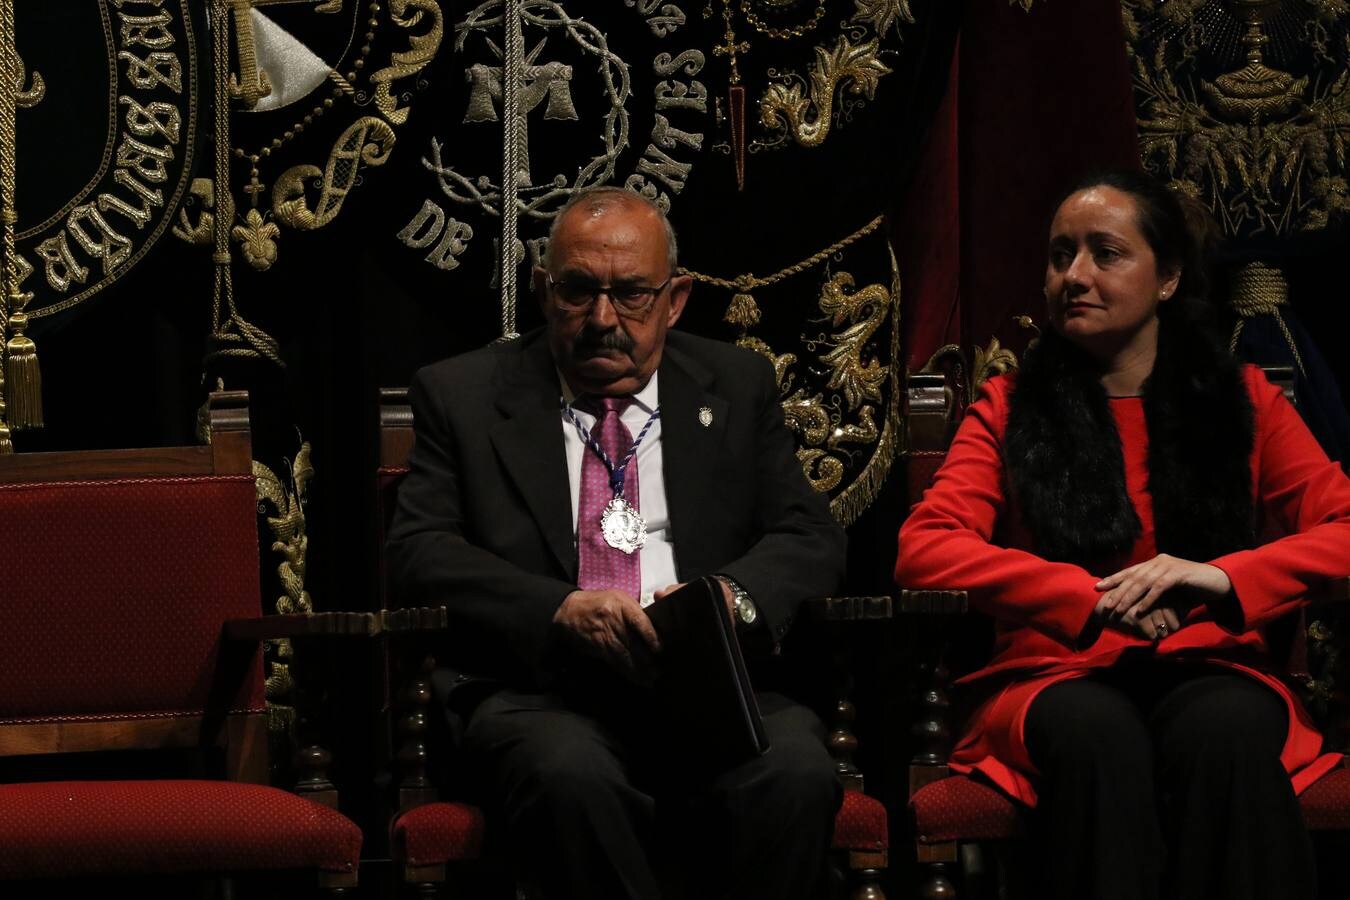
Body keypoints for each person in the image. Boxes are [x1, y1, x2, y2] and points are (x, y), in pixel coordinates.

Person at [895, 168, 1350, 900]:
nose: (1073, 276)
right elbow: (926, 547)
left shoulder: (1243, 398)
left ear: (1167, 277)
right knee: (1095, 734)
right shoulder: (1009, 406)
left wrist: (1227, 577)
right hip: (1055, 675)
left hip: (1213, 666)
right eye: (1059, 255)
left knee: (1227, 732)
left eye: (1105, 253)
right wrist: (1083, 596)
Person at [387, 186, 846, 900]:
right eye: (578, 291)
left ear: (677, 298)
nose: (603, 319)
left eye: (631, 294)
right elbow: (419, 550)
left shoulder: (735, 384)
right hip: (542, 693)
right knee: (571, 778)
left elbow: (807, 533)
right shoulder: (464, 394)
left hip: (707, 688)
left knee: (798, 774)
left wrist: (730, 597)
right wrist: (559, 607)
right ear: (543, 291)